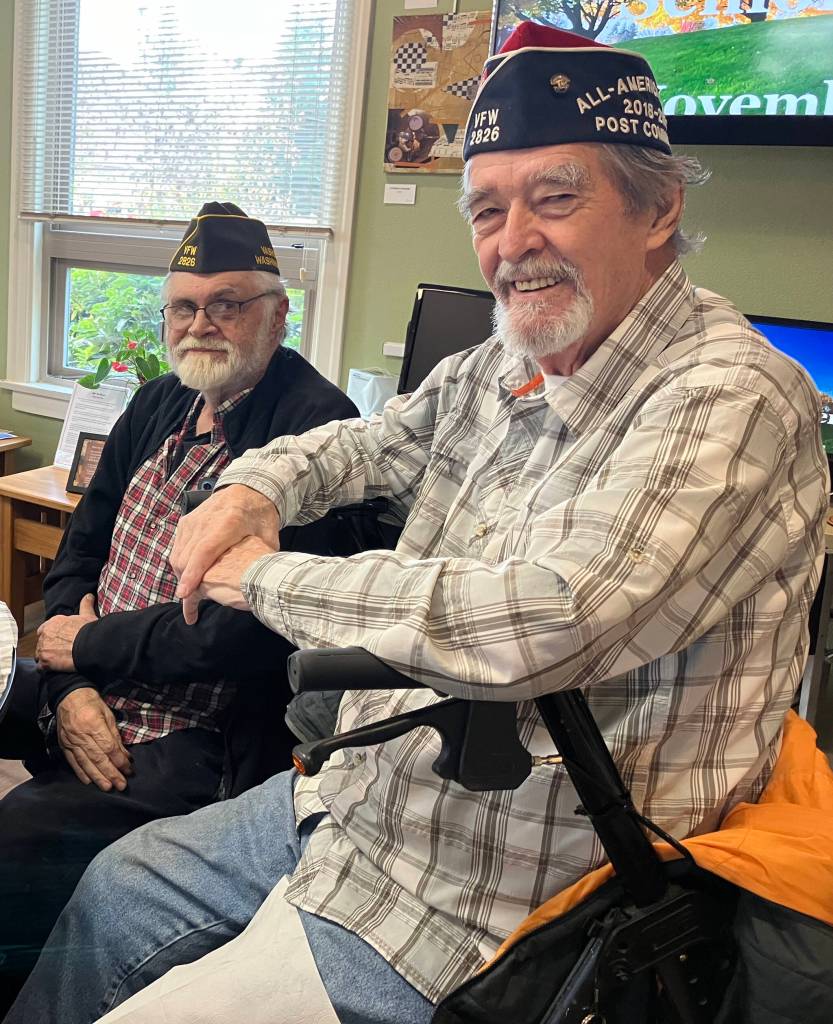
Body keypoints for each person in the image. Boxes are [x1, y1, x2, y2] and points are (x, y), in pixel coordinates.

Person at [5, 25, 828, 1024]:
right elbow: (368, 445)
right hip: (359, 800)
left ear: (656, 207)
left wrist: (257, 574)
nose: (511, 239)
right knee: (114, 894)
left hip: (500, 899)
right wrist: (251, 489)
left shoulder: (730, 394)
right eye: (487, 208)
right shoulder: (503, 359)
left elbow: (548, 619)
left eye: (553, 197)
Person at [0, 202, 359, 1011]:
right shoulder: (159, 401)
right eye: (185, 306)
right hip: (92, 683)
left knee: (14, 842)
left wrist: (82, 653)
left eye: (229, 303)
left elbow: (237, 637)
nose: (203, 323)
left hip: (199, 738)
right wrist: (71, 687)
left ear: (278, 313)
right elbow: (77, 554)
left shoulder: (314, 434)